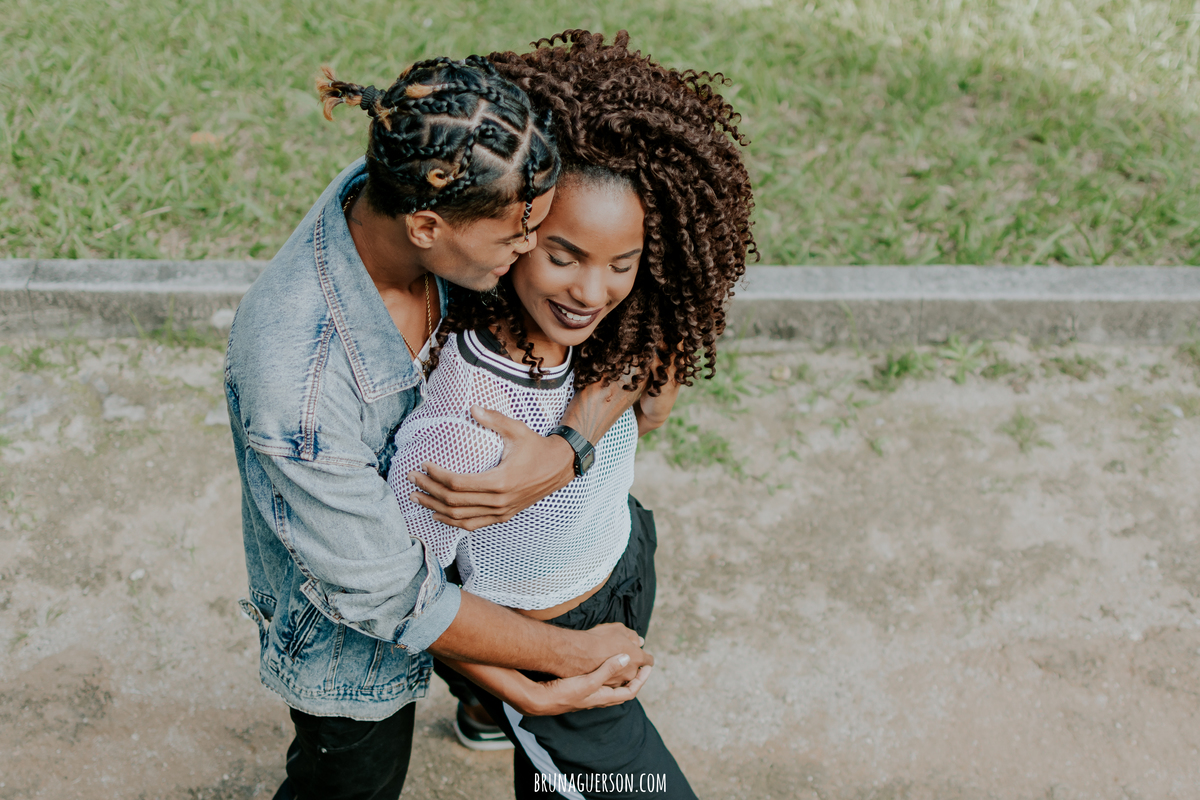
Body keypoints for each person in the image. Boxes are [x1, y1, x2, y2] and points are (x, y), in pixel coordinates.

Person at [225, 54, 657, 800]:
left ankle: (481, 704)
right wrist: (554, 664)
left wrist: (567, 450)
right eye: (522, 238)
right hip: (354, 632)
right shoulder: (295, 385)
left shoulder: (463, 167)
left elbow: (646, 314)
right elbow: (390, 595)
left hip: (484, 556)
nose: (535, 252)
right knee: (355, 781)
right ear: (427, 227)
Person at [387, 30, 755, 799]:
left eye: (623, 265)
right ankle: (498, 705)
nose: (593, 291)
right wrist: (530, 685)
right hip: (545, 637)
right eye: (565, 256)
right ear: (515, 229)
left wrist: (591, 428)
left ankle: (487, 714)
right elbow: (407, 598)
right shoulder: (463, 421)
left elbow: (651, 406)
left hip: (622, 559)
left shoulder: (617, 327)